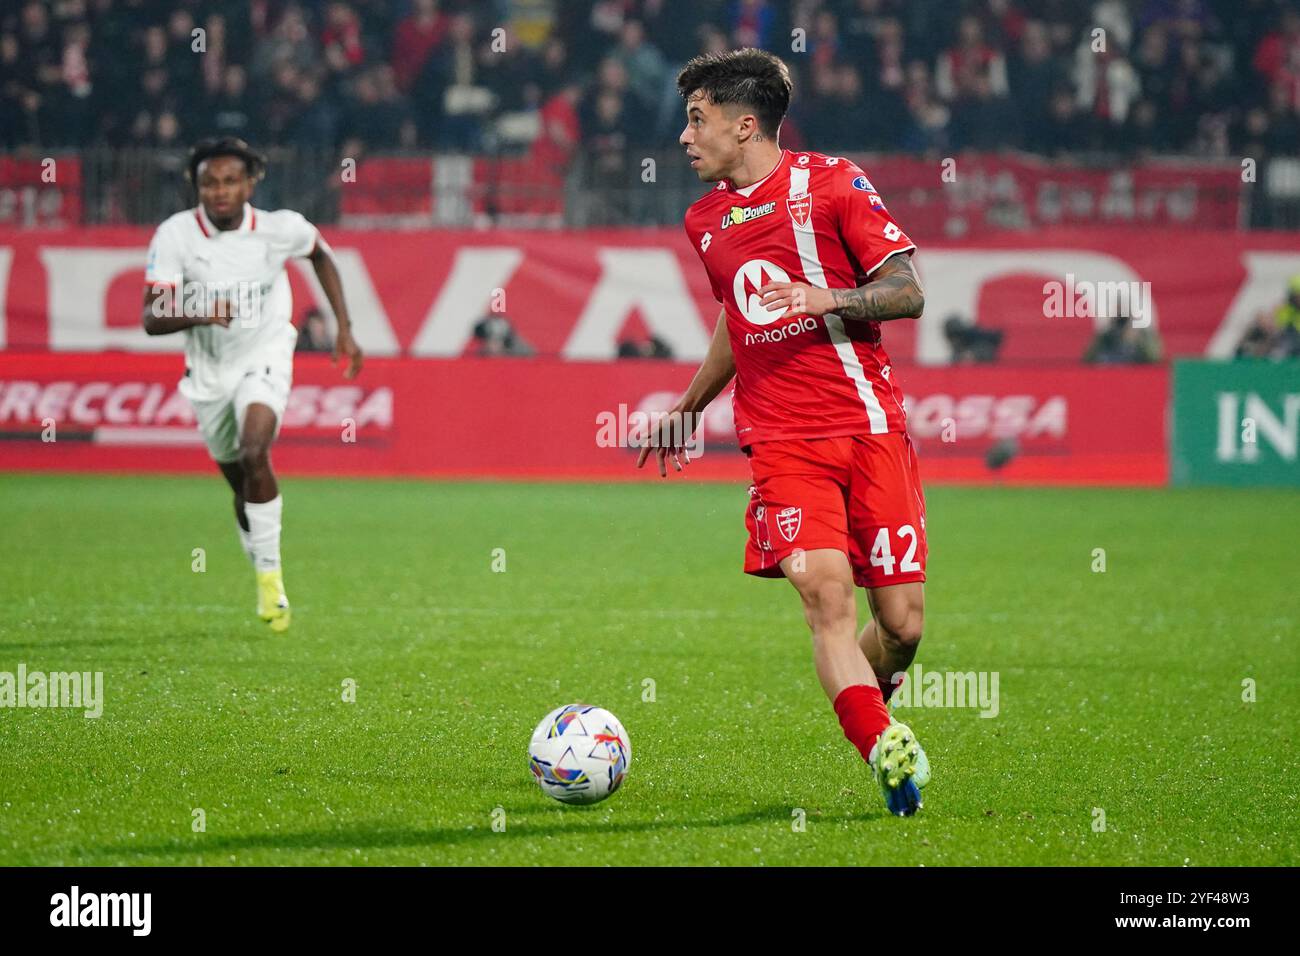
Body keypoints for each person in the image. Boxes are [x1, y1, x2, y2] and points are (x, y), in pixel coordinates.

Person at [638, 49, 930, 816]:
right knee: (825, 598)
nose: (684, 137)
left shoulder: (833, 183)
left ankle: (870, 696)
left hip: (869, 427)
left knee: (900, 626)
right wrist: (691, 404)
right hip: (780, 442)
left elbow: (907, 292)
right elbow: (739, 320)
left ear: (745, 124)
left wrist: (824, 298)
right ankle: (880, 744)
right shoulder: (704, 221)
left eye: (696, 120)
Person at [140, 137, 364, 633]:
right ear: (196, 187)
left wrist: (344, 328)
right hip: (208, 375)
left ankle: (271, 580)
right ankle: (259, 555)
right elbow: (151, 317)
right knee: (242, 483)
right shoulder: (176, 236)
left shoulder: (278, 228)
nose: (220, 191)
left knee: (255, 449)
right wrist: (199, 312)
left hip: (264, 354)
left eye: (230, 181)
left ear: (250, 183)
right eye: (209, 183)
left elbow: (320, 254)